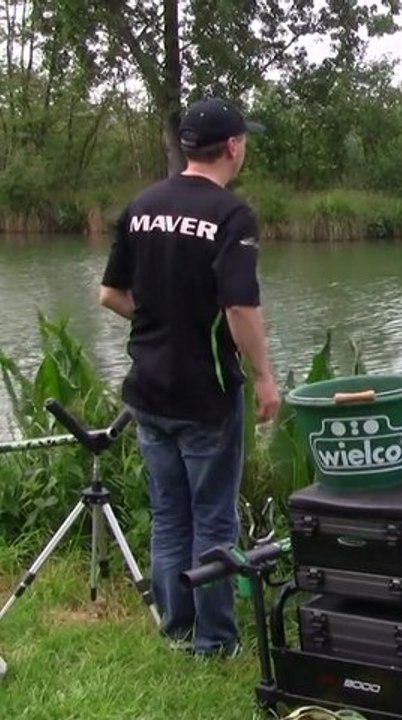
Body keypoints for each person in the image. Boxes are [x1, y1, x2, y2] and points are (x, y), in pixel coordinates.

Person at [98, 97, 280, 658]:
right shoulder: (231, 215)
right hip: (205, 395)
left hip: (149, 392)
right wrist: (266, 378)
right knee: (213, 520)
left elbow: (110, 295)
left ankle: (176, 628)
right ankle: (215, 640)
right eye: (242, 139)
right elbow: (239, 310)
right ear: (232, 146)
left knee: (169, 515)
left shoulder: (142, 205)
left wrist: (160, 324)